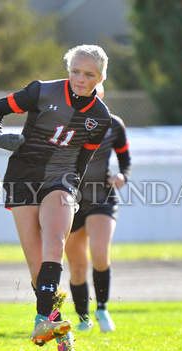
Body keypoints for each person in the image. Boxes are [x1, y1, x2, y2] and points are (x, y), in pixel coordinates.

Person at [0, 45, 112, 351]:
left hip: (61, 179)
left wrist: (72, 193)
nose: (81, 79)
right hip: (22, 178)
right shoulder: (41, 91)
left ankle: (42, 320)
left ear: (100, 77)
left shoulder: (100, 117)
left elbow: (82, 160)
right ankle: (57, 326)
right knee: (37, 269)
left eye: (89, 75)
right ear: (68, 69)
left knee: (54, 246)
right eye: (75, 72)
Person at [64, 84, 131, 333]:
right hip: (69, 199)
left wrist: (123, 175)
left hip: (102, 197)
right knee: (77, 265)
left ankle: (102, 308)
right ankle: (83, 318)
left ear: (100, 93)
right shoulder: (65, 121)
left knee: (100, 253)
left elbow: (125, 158)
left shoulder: (114, 125)